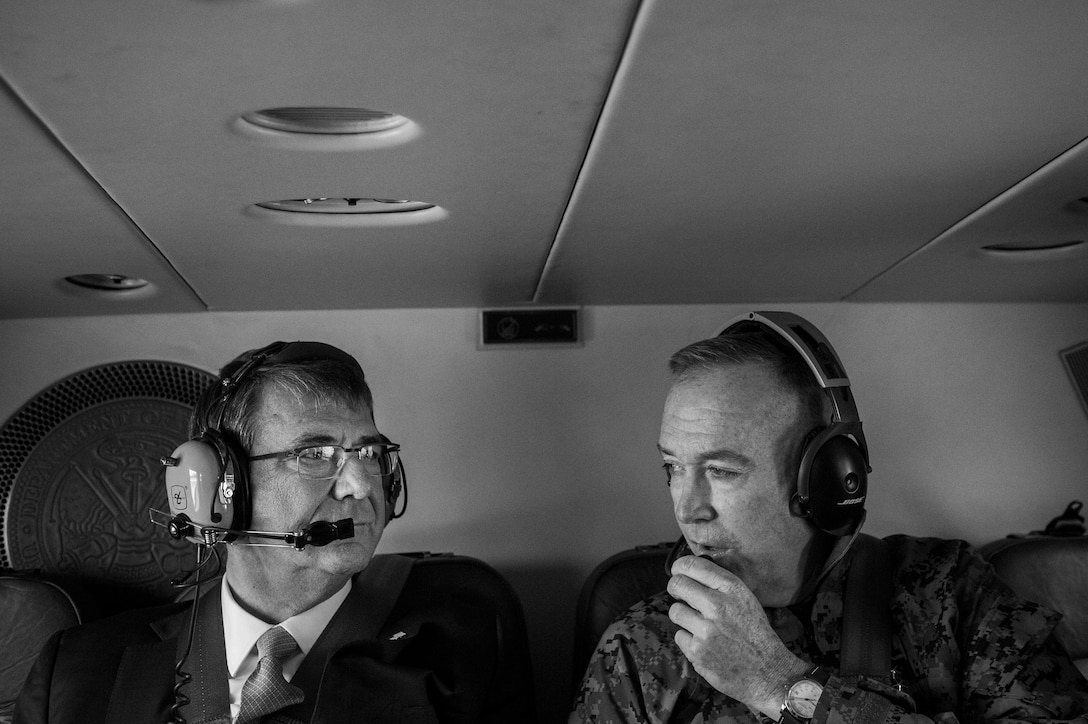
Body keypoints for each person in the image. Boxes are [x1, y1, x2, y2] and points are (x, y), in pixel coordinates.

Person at [570, 311, 1088, 724]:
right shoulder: (641, 647)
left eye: (722, 471)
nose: (687, 508)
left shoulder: (953, 596)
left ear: (825, 477)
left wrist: (780, 686)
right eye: (673, 468)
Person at [16, 341, 531, 723]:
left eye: (369, 453)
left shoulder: (467, 647)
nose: (359, 485)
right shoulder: (78, 666)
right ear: (221, 487)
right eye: (314, 454)